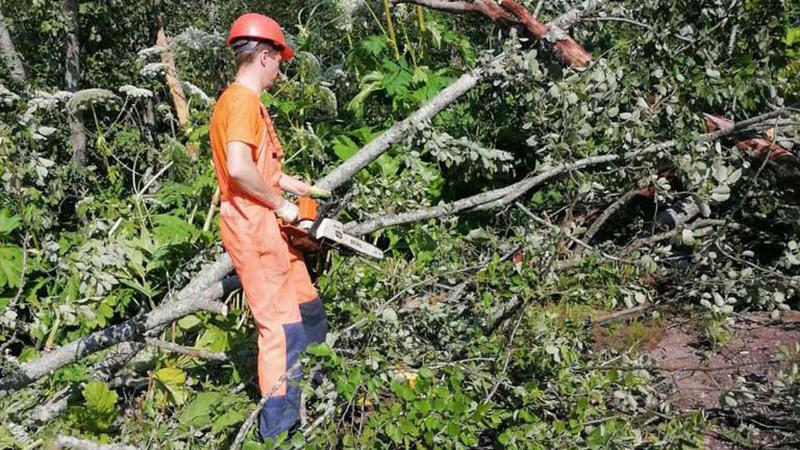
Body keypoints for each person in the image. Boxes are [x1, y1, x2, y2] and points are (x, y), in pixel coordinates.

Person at [208, 12, 330, 439]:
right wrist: (282, 205)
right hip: (254, 228)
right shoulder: (241, 100)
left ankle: (319, 387)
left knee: (309, 309)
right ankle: (278, 430)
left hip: (267, 225)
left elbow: (254, 166)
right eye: (279, 59)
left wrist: (292, 185)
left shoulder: (241, 101)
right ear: (263, 56)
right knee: (282, 330)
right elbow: (239, 170)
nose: (281, 68)